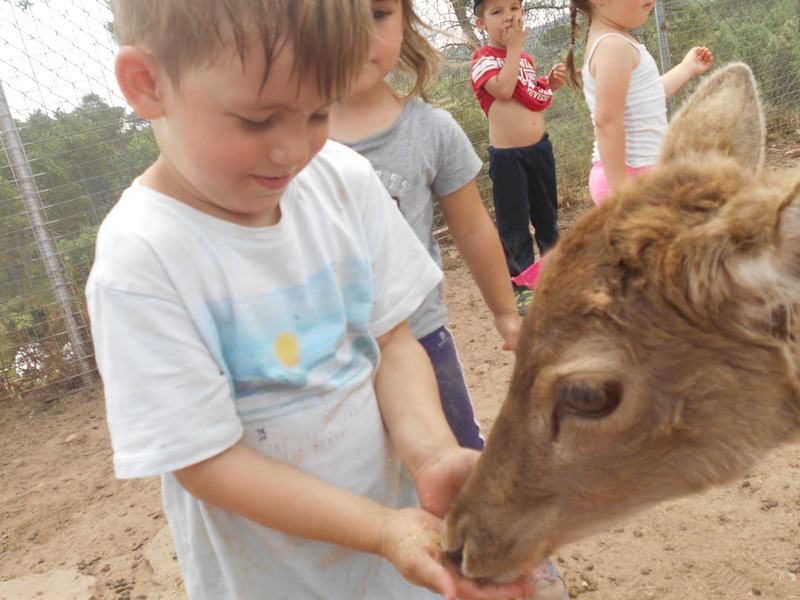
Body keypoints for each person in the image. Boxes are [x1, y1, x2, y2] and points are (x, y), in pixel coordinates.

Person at [86, 1, 540, 600]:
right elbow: (206, 461)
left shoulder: (342, 179)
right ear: (147, 83)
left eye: (319, 112)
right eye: (256, 120)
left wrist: (431, 454)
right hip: (275, 580)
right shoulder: (142, 259)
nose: (293, 151)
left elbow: (393, 342)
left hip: (400, 563)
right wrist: (381, 531)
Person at [329, 0, 520, 452]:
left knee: (457, 463)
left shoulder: (432, 130)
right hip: (324, 357)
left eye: (378, 14)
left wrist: (505, 312)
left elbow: (473, 229)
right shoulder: (281, 137)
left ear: (405, 22)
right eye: (333, 12)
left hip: (420, 338)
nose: (357, 32)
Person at [565, 0, 714, 205]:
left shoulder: (617, 41)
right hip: (630, 177)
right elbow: (607, 122)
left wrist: (687, 68)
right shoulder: (613, 46)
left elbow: (649, 95)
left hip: (638, 174)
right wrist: (622, 193)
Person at [471, 0, 566, 315]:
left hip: (540, 150)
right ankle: (523, 287)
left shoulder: (525, 59)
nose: (509, 16)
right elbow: (503, 89)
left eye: (514, 8)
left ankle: (555, 276)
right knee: (514, 225)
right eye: (497, 11)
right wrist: (514, 48)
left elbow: (528, 96)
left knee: (547, 216)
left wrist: (549, 85)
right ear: (482, 23)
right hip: (509, 159)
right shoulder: (483, 58)